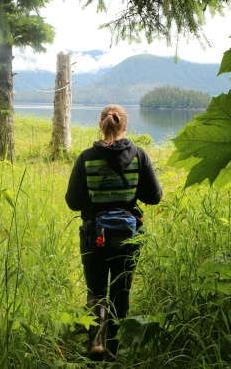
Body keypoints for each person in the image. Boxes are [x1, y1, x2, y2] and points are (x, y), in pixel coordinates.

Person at [65, 104, 163, 361]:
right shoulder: (139, 155)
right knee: (121, 291)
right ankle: (114, 352)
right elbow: (154, 197)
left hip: (93, 236)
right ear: (124, 126)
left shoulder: (86, 157)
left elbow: (73, 202)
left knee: (96, 290)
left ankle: (96, 343)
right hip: (128, 236)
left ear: (101, 124)